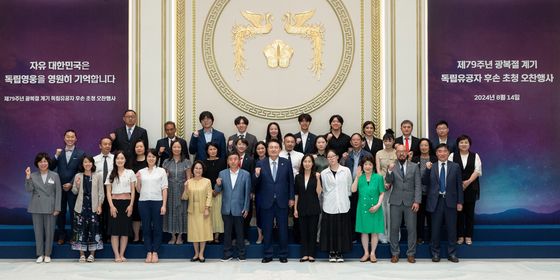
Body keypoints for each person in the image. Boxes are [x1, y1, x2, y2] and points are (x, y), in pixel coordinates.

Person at [254, 139, 294, 263]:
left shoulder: (286, 162)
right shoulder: (260, 163)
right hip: (267, 201)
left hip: (282, 201)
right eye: (270, 147)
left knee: (283, 229)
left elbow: (291, 182)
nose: (273, 149)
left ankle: (283, 255)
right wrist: (256, 175)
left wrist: (291, 198)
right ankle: (268, 255)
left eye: (276, 147)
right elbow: (255, 185)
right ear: (267, 149)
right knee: (267, 229)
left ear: (279, 149)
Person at [423, 143, 463, 263]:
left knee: (452, 229)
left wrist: (460, 202)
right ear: (436, 153)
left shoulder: (455, 166)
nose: (442, 153)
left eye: (444, 151)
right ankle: (435, 253)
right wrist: (427, 169)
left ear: (448, 153)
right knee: (435, 230)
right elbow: (424, 181)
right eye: (439, 151)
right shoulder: (432, 166)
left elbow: (459, 186)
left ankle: (452, 254)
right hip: (436, 201)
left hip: (451, 201)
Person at [385, 144, 422, 263]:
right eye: (399, 151)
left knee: (412, 229)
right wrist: (389, 171)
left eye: (403, 151)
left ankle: (411, 253)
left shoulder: (414, 166)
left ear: (407, 153)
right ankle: (395, 253)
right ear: (396, 153)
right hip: (395, 201)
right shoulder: (392, 166)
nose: (401, 153)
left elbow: (417, 185)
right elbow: (388, 182)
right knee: (394, 228)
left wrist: (417, 201)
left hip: (411, 202)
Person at [215, 152, 252, 261]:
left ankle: (241, 254)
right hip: (226, 208)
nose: (233, 161)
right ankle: (227, 254)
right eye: (230, 159)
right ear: (227, 161)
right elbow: (217, 191)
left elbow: (247, 193)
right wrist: (217, 184)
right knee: (227, 233)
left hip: (240, 209)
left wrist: (246, 207)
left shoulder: (245, 174)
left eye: (235, 159)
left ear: (239, 161)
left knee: (240, 233)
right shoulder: (222, 173)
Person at [25, 152, 61, 263]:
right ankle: (40, 254)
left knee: (50, 232)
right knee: (38, 232)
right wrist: (27, 177)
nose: (43, 163)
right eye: (41, 162)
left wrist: (57, 208)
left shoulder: (55, 175)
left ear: (48, 163)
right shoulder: (33, 175)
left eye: (45, 161)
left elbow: (58, 192)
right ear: (37, 163)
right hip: (36, 207)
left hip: (50, 207)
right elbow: (29, 190)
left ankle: (48, 254)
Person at [51, 129, 85, 245]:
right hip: (59, 188)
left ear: (76, 139)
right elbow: (51, 167)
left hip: (73, 188)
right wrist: (55, 155)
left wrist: (71, 183)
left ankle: (74, 236)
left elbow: (81, 171)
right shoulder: (59, 153)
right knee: (60, 212)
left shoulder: (81, 154)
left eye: (72, 137)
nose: (70, 139)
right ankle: (61, 235)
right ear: (64, 138)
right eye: (68, 137)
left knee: (74, 213)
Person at [320, 149, 353, 262]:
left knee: (341, 230)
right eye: (329, 157)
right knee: (331, 230)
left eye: (333, 156)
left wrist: (345, 196)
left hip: (343, 203)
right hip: (329, 204)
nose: (331, 159)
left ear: (337, 157)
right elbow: (323, 189)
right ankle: (331, 252)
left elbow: (349, 186)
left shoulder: (346, 170)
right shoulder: (324, 173)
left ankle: (339, 252)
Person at [136, 149, 168, 263]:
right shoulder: (141, 172)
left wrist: (164, 205)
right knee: (146, 227)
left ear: (156, 158)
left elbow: (164, 188)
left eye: (153, 157)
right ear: (146, 158)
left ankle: (155, 252)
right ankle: (148, 251)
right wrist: (138, 180)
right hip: (143, 202)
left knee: (158, 228)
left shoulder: (161, 171)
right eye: (149, 156)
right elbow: (138, 190)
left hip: (157, 201)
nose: (151, 158)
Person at [351, 155, 384, 263]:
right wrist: (357, 176)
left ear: (373, 166)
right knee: (364, 232)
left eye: (370, 164)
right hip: (362, 208)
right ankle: (365, 253)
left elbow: (382, 192)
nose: (368, 166)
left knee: (374, 232)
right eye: (365, 164)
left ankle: (373, 253)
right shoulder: (360, 177)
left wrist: (378, 205)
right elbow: (353, 189)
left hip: (375, 207)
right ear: (362, 166)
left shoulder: (378, 177)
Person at [71, 156, 105, 263]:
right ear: (82, 164)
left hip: (94, 207)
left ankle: (91, 255)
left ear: (92, 164)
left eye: (89, 162)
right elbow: (74, 192)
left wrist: (100, 205)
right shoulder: (78, 175)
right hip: (80, 207)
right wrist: (76, 185)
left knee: (94, 231)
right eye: (85, 162)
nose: (87, 164)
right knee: (80, 230)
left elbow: (101, 193)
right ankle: (81, 254)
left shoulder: (98, 176)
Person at [105, 151, 136, 263]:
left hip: (127, 203)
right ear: (115, 160)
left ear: (125, 160)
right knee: (115, 231)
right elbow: (108, 192)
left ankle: (122, 254)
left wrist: (131, 205)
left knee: (124, 231)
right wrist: (111, 206)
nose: (120, 160)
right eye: (118, 158)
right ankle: (116, 255)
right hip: (114, 203)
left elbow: (133, 190)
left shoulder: (130, 172)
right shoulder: (110, 173)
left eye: (122, 158)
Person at [341, 133, 373, 242]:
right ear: (350, 142)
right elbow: (341, 169)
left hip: (364, 187)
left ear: (362, 142)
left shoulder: (367, 155)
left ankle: (365, 235)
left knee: (365, 211)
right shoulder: (347, 156)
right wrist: (342, 158)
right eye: (353, 140)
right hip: (351, 187)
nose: (355, 141)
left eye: (358, 140)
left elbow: (372, 172)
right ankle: (354, 236)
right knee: (353, 212)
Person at [450, 135, 482, 246]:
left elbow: (477, 171)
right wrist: (459, 184)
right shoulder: (452, 155)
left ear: (469, 144)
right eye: (461, 142)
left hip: (471, 188)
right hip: (455, 189)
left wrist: (467, 182)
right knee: (458, 214)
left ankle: (468, 236)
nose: (464, 144)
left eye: (466, 142)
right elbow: (449, 171)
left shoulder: (475, 156)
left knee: (469, 214)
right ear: (457, 144)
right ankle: (460, 236)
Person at [182, 161, 213, 262]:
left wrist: (207, 208)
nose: (198, 170)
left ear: (202, 170)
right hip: (192, 210)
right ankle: (195, 253)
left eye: (200, 168)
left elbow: (209, 195)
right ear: (193, 170)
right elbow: (185, 197)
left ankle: (201, 253)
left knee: (203, 231)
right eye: (196, 168)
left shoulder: (207, 181)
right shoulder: (189, 182)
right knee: (194, 232)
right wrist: (186, 188)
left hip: (204, 209)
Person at [162, 140, 191, 245]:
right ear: (171, 148)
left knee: (181, 212)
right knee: (171, 212)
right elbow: (163, 178)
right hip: (170, 189)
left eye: (178, 147)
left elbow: (189, 178)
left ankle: (180, 236)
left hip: (182, 189)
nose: (176, 149)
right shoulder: (166, 162)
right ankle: (173, 236)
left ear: (181, 148)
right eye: (174, 147)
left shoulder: (187, 162)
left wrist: (186, 191)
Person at [294, 155, 322, 262]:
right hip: (301, 207)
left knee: (312, 231)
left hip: (313, 207)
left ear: (312, 163)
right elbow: (296, 194)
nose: (307, 163)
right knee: (303, 231)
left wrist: (318, 179)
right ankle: (304, 254)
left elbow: (319, 192)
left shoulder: (317, 176)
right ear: (302, 163)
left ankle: (312, 254)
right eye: (305, 161)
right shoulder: (298, 177)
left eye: (309, 161)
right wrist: (295, 209)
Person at [411, 138, 437, 245]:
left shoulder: (434, 159)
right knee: (419, 217)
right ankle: (420, 237)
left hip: (432, 193)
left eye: (426, 145)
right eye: (422, 145)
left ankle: (432, 237)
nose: (424, 147)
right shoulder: (415, 159)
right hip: (418, 193)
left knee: (432, 217)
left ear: (429, 147)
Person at [375, 129, 397, 243]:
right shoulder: (379, 153)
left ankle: (393, 236)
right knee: (383, 209)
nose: (387, 143)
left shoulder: (397, 152)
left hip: (395, 183)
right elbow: (378, 169)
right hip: (382, 182)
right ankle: (382, 236)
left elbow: (398, 169)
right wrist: (383, 182)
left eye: (389, 140)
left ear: (393, 141)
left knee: (393, 209)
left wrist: (390, 182)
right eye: (385, 141)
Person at [202, 143, 227, 244]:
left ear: (217, 150)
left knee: (218, 215)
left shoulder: (222, 161)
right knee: (209, 215)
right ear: (207, 151)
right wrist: (210, 190)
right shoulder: (203, 162)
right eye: (210, 149)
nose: (212, 151)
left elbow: (224, 177)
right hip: (206, 193)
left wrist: (217, 190)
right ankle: (209, 235)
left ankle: (216, 236)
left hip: (219, 192)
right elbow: (202, 177)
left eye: (214, 149)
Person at [93, 137, 114, 241]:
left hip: (112, 190)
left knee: (110, 213)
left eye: (109, 144)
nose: (107, 146)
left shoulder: (116, 159)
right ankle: (100, 235)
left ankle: (110, 235)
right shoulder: (94, 159)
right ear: (100, 146)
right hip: (98, 190)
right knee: (99, 213)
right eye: (105, 144)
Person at [236, 138, 255, 245]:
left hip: (246, 191)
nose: (241, 146)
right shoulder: (231, 158)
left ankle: (245, 237)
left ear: (246, 147)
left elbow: (253, 176)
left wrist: (252, 191)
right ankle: (235, 237)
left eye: (243, 144)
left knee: (246, 215)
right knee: (235, 215)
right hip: (234, 191)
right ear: (236, 145)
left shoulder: (251, 159)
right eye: (239, 144)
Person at [130, 139, 148, 243]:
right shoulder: (131, 161)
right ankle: (136, 236)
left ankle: (145, 236)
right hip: (135, 192)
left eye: (141, 146)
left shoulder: (149, 159)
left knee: (146, 215)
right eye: (137, 147)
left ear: (144, 148)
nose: (139, 148)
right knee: (136, 215)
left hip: (148, 191)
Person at [252, 141, 267, 244]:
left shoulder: (271, 160)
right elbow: (251, 178)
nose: (260, 150)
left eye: (262, 148)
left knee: (269, 215)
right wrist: (252, 191)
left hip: (271, 192)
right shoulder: (254, 161)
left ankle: (267, 235)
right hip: (259, 193)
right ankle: (260, 235)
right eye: (258, 149)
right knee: (259, 214)